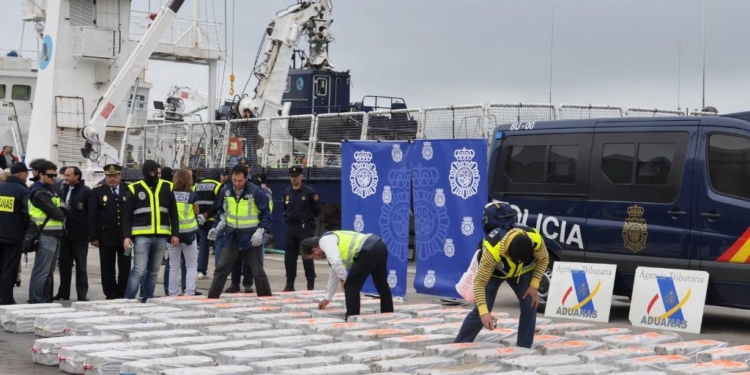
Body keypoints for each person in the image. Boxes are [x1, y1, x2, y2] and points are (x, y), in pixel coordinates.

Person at [453, 201, 549, 348]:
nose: (517, 261)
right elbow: (479, 283)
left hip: (522, 274)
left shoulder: (535, 239)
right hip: (495, 274)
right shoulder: (492, 250)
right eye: (515, 259)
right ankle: (458, 345)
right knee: (482, 310)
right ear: (508, 251)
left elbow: (544, 260)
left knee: (530, 304)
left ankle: (524, 349)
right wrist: (485, 313)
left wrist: (534, 284)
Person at [206, 165, 272, 298]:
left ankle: (266, 299)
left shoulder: (256, 192)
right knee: (221, 268)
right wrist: (217, 227)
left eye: (240, 181)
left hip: (251, 237)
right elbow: (222, 212)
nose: (237, 184)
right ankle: (212, 297)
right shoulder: (226, 191)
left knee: (257, 271)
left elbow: (266, 214)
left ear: (246, 178)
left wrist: (261, 231)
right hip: (232, 235)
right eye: (234, 180)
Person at [300, 231, 394, 319]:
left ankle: (351, 318)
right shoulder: (330, 243)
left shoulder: (325, 241)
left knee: (350, 285)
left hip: (368, 251)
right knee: (381, 284)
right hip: (379, 246)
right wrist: (327, 299)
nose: (317, 259)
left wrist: (344, 279)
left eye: (313, 257)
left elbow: (336, 262)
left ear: (315, 250)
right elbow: (333, 276)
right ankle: (388, 314)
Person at [122, 160, 179, 302]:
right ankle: (129, 299)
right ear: (145, 173)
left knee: (154, 271)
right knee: (139, 270)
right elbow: (127, 215)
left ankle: (147, 297)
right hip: (141, 235)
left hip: (161, 235)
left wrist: (175, 233)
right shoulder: (135, 188)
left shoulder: (167, 187)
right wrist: (127, 236)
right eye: (151, 173)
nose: (153, 175)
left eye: (156, 173)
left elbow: (173, 213)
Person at [28, 160, 69, 303]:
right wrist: (62, 209)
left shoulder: (50, 190)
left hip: (55, 234)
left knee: (48, 272)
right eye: (50, 175)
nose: (53, 178)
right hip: (46, 235)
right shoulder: (39, 192)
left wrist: (62, 209)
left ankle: (45, 299)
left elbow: (65, 209)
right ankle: (37, 300)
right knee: (42, 271)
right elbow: (58, 213)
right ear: (40, 174)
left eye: (55, 175)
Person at [87, 163, 130, 299]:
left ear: (120, 176)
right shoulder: (97, 191)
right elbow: (92, 216)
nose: (111, 179)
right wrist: (93, 237)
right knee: (107, 267)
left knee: (125, 267)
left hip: (124, 236)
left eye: (114, 176)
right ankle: (110, 293)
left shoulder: (128, 189)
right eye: (109, 176)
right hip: (106, 236)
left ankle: (123, 292)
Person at [54, 166, 91, 301]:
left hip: (80, 235)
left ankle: (82, 293)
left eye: (69, 175)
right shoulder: (63, 190)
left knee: (81, 267)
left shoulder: (86, 192)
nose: (66, 177)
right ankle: (63, 292)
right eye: (65, 175)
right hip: (65, 234)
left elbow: (91, 214)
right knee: (64, 266)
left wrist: (89, 233)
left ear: (77, 176)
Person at [282, 165, 321, 291]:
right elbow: (285, 208)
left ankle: (310, 284)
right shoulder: (287, 192)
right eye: (291, 176)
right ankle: (289, 283)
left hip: (305, 227)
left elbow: (317, 210)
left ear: (301, 176)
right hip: (291, 227)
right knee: (289, 256)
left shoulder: (310, 192)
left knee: (307, 256)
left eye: (296, 176)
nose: (293, 179)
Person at [167, 169, 199, 296]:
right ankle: (189, 292)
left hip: (173, 234)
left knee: (174, 265)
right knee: (191, 265)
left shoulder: (170, 194)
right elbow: (196, 212)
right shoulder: (192, 195)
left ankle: (173, 293)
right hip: (189, 234)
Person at [0, 162, 28, 304]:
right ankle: (6, 299)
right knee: (9, 269)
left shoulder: (1, 187)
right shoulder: (22, 191)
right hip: (13, 236)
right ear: (21, 174)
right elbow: (26, 215)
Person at [194, 169, 222, 280]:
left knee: (203, 245)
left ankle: (201, 271)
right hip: (213, 220)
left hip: (200, 220)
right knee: (218, 244)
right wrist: (207, 215)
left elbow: (194, 202)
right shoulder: (218, 186)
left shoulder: (197, 186)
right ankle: (219, 270)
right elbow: (218, 204)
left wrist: (200, 215)